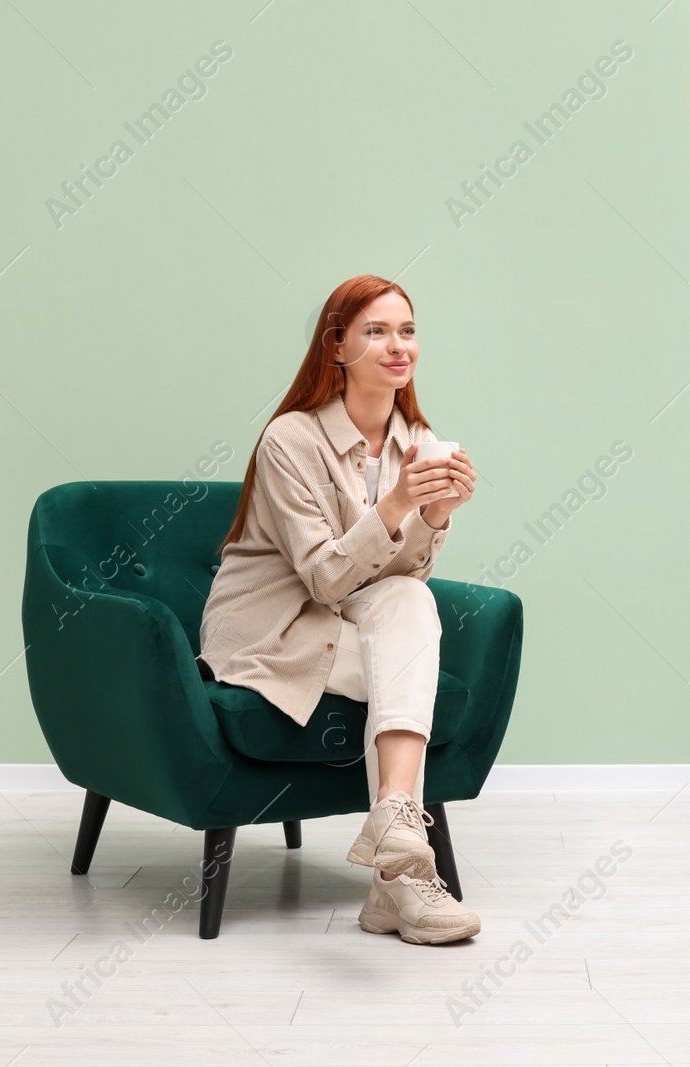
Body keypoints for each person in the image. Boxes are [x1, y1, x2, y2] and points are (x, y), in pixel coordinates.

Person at [196, 274, 481, 945]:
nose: (397, 345)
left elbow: (397, 578)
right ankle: (403, 887)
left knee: (411, 604)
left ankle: (393, 819)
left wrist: (435, 514)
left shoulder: (418, 437)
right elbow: (326, 579)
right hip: (273, 630)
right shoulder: (290, 439)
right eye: (376, 331)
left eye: (407, 330)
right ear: (338, 345)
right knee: (403, 665)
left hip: (350, 618)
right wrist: (397, 504)